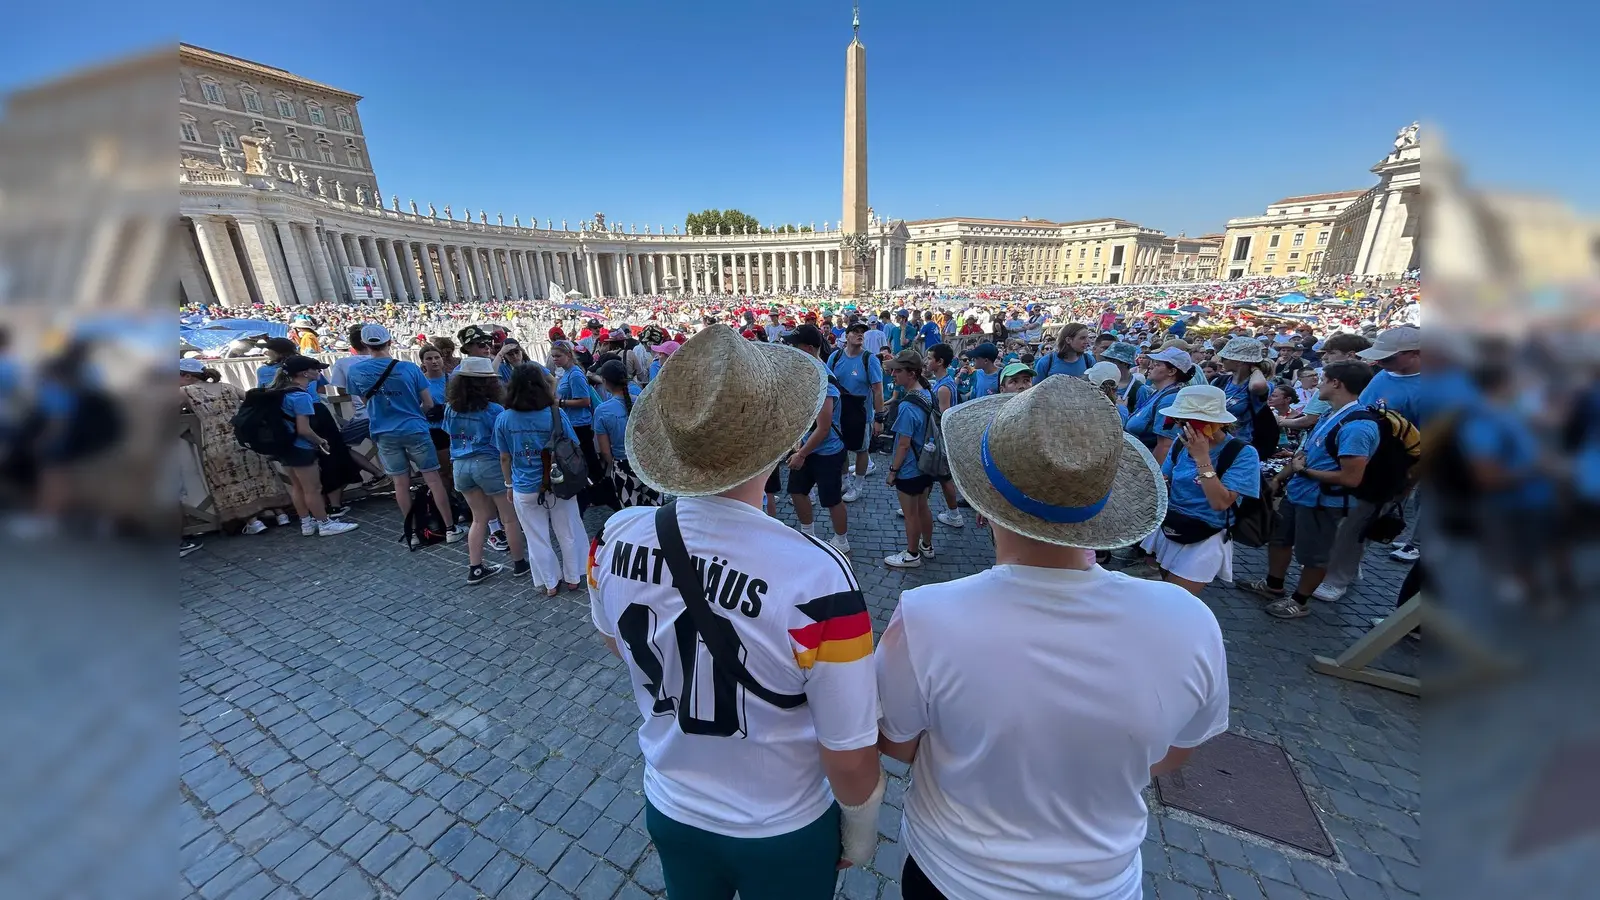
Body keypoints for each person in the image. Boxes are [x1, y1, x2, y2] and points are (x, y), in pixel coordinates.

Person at [875, 376, 1227, 900]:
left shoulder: (927, 615)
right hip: (1103, 882)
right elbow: (1173, 755)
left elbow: (896, 743)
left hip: (954, 873)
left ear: (981, 503)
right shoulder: (1189, 619)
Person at [587, 325, 885, 898]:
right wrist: (862, 835)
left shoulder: (615, 536)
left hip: (672, 804)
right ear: (779, 440)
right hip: (781, 824)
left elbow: (617, 643)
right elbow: (849, 751)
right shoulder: (817, 575)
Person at [1239, 361, 1378, 619]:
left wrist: (1305, 472)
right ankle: (1274, 585)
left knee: (1314, 554)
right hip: (1300, 493)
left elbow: (1351, 478)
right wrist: (1282, 477)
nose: (1317, 384)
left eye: (1323, 379)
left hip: (1323, 501)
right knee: (1280, 538)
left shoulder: (1358, 426)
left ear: (1336, 383)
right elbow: (1306, 453)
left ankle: (1300, 601)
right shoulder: (1331, 413)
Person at [1138, 385, 1261, 595]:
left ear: (1217, 424)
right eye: (1179, 421)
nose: (1181, 427)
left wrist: (1202, 458)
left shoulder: (1242, 453)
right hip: (1173, 525)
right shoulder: (1180, 442)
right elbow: (1165, 478)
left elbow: (1220, 503)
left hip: (1206, 534)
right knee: (1166, 589)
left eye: (1189, 422)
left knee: (1176, 599)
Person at [344, 325, 462, 542]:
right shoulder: (408, 369)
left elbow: (364, 402)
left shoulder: (356, 372)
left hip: (383, 431)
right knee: (433, 479)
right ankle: (449, 528)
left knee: (400, 483)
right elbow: (428, 404)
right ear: (389, 343)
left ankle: (415, 532)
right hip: (415, 427)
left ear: (366, 345)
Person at [496, 361, 587, 596]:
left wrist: (508, 484)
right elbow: (574, 445)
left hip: (524, 484)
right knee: (567, 531)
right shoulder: (555, 413)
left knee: (537, 537)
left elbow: (504, 457)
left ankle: (550, 583)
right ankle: (574, 577)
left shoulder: (504, 419)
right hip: (558, 482)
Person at [179, 358, 288, 534]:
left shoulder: (185, 391)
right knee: (261, 475)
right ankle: (281, 514)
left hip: (216, 440)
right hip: (243, 436)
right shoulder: (226, 386)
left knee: (232, 481)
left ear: (187, 376)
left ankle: (253, 521)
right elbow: (251, 399)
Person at [445, 357, 529, 585]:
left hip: (461, 465)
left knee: (478, 519)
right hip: (488, 463)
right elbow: (503, 442)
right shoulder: (494, 410)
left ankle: (475, 567)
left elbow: (449, 434)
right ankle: (519, 563)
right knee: (509, 518)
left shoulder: (450, 409)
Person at [268, 357, 359, 537]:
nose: (319, 372)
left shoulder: (278, 392)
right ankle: (324, 523)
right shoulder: (301, 396)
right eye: (316, 369)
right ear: (304, 373)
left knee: (297, 487)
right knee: (313, 488)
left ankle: (306, 523)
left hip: (284, 446)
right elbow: (304, 429)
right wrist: (320, 440)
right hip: (301, 447)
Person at [782, 324, 852, 555]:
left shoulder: (825, 381)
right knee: (796, 490)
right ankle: (808, 533)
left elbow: (823, 428)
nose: (790, 349)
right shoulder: (807, 374)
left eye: (795, 345)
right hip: (808, 446)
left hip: (827, 450)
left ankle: (841, 540)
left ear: (810, 349)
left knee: (831, 499)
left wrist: (801, 454)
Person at [884, 350, 937, 568]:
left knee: (910, 514)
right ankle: (927, 545)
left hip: (909, 468)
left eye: (898, 370)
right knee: (923, 507)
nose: (893, 374)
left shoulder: (906, 406)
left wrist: (893, 471)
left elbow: (903, 444)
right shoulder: (927, 392)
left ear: (912, 373)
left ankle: (912, 554)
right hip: (927, 462)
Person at [826, 324, 885, 503]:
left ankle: (858, 485)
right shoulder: (835, 357)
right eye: (855, 332)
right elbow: (826, 381)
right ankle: (844, 481)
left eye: (862, 333)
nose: (860, 335)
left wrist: (879, 418)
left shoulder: (869, 359)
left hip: (861, 413)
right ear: (846, 335)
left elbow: (878, 390)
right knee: (840, 448)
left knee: (861, 449)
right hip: (838, 413)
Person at [592, 359, 661, 509]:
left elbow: (605, 451)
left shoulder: (602, 411)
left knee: (633, 515)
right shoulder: (642, 402)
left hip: (623, 467)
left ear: (604, 381)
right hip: (649, 465)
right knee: (655, 511)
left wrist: (615, 466)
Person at [547, 341, 604, 509]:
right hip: (575, 423)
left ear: (569, 356)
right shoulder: (568, 373)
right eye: (553, 356)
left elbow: (585, 401)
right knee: (583, 460)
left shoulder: (575, 374)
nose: (555, 359)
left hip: (580, 424)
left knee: (586, 460)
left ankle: (598, 493)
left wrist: (560, 402)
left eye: (558, 356)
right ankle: (593, 493)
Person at [1123, 346, 1193, 463]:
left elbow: (1165, 445)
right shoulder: (1160, 392)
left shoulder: (1170, 400)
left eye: (1157, 364)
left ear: (1172, 371)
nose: (1150, 366)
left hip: (1145, 464)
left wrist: (1152, 476)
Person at [924, 344, 964, 528]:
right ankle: (920, 505)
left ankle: (954, 514)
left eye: (930, 358)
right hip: (939, 438)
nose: (926, 361)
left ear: (939, 362)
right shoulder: (944, 382)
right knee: (931, 473)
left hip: (940, 438)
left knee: (944, 477)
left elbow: (943, 417)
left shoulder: (943, 388)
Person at [1357, 325, 1423, 425]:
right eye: (1376, 358)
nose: (1379, 362)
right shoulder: (1385, 372)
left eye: (1387, 358)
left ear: (1416, 353)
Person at [1214, 338, 1272, 446]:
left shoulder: (1258, 384)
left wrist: (1256, 369)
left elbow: (1257, 386)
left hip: (1242, 444)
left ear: (1239, 361)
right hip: (1216, 441)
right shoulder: (1220, 381)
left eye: (1224, 358)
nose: (1220, 361)